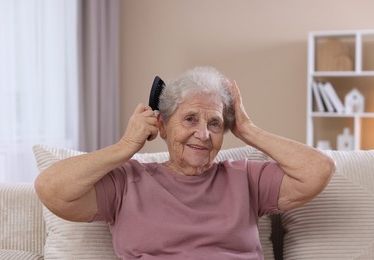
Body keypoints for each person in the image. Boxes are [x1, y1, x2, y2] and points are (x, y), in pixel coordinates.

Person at [35, 66, 335, 259]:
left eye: (215, 123)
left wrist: (248, 130)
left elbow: (318, 170)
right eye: (190, 119)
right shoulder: (127, 182)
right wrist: (125, 146)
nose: (203, 134)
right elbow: (51, 189)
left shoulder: (245, 177)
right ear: (162, 126)